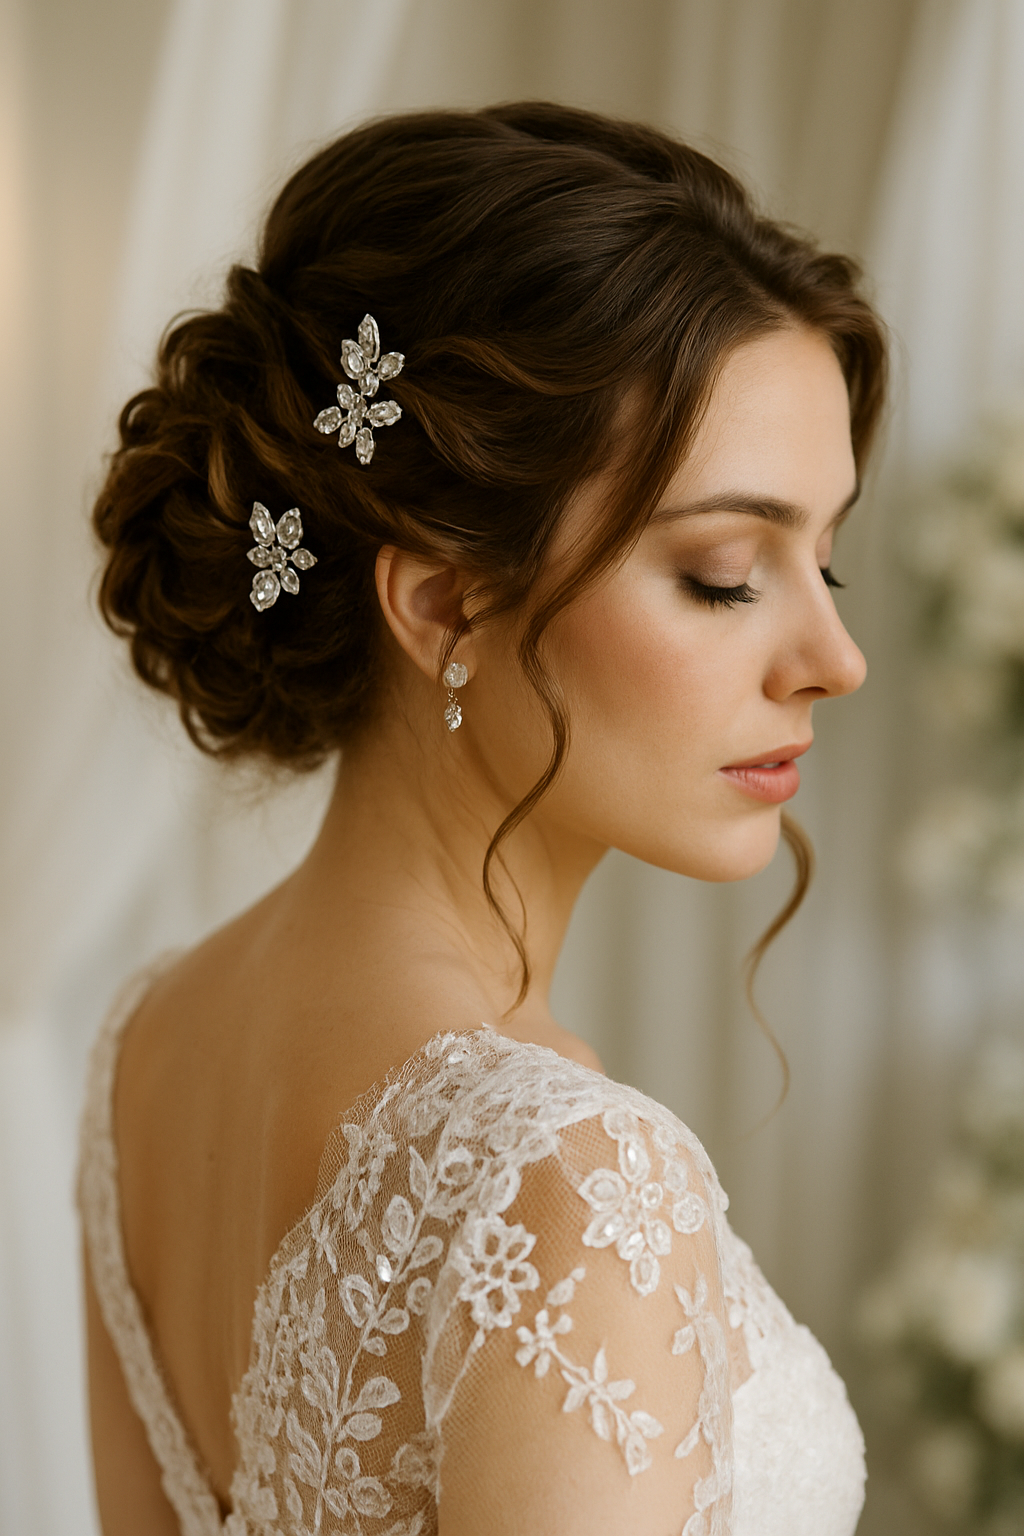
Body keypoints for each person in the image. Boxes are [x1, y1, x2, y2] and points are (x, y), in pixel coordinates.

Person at [78, 102, 887, 1536]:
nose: (834, 658)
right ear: (445, 603)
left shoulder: (151, 1048)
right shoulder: (568, 1182)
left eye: (827, 561)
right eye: (722, 572)